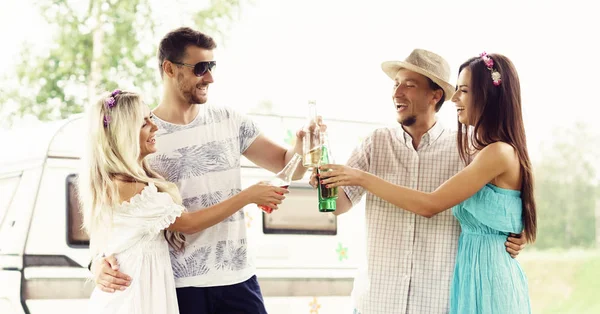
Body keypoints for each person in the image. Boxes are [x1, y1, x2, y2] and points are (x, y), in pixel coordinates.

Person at [89, 27, 317, 314]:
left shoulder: (229, 120)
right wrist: (96, 262)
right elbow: (108, 216)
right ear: (169, 69)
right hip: (176, 286)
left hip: (238, 278)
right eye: (200, 68)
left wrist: (301, 143)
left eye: (211, 66)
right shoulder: (138, 136)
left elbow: (289, 168)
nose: (209, 77)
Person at [308, 49, 526, 314]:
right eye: (395, 84)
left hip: (439, 300)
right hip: (379, 300)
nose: (397, 92)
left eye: (409, 85)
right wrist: (325, 177)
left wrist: (514, 233)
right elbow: (337, 205)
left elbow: (505, 194)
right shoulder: (376, 143)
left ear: (435, 96)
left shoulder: (471, 150)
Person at [80, 90, 287, 314]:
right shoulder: (128, 187)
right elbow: (189, 223)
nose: (155, 127)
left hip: (145, 289)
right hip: (132, 295)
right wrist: (248, 195)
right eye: (144, 124)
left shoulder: (131, 181)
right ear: (124, 135)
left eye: (151, 118)